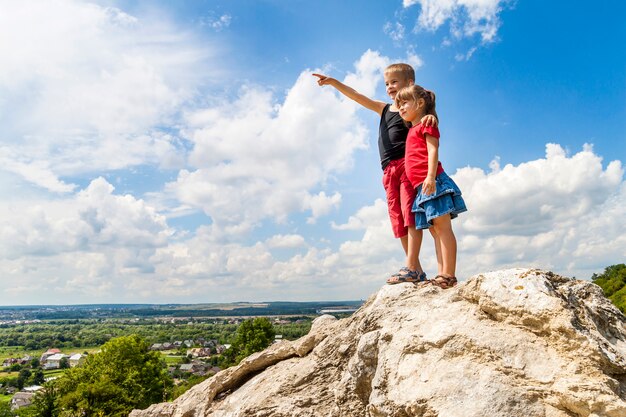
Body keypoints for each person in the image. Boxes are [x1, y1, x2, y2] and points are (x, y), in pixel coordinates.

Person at [313, 64, 438, 284]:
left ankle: (410, 265)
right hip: (388, 171)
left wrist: (430, 116)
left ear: (410, 83)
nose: (390, 87)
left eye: (394, 82)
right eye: (387, 83)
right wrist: (333, 82)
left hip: (406, 167)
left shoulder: (412, 110)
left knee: (410, 217)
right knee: (398, 220)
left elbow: (427, 113)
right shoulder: (384, 109)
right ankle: (416, 269)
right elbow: (356, 96)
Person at [394, 84, 467, 288]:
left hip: (432, 182)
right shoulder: (412, 128)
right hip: (422, 188)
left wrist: (430, 176)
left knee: (443, 228)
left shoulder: (427, 124)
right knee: (435, 231)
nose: (400, 107)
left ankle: (449, 274)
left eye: (404, 102)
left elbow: (433, 150)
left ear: (420, 103)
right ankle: (442, 273)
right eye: (398, 104)